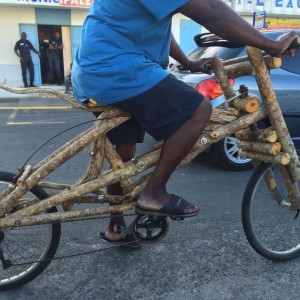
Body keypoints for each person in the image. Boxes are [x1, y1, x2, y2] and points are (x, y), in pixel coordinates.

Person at [72, 0, 299, 245]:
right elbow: (211, 12)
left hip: (94, 73)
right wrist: (272, 45)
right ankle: (154, 193)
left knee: (122, 154)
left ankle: (115, 225)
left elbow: (161, 26)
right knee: (198, 111)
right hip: (117, 69)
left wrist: (189, 63)